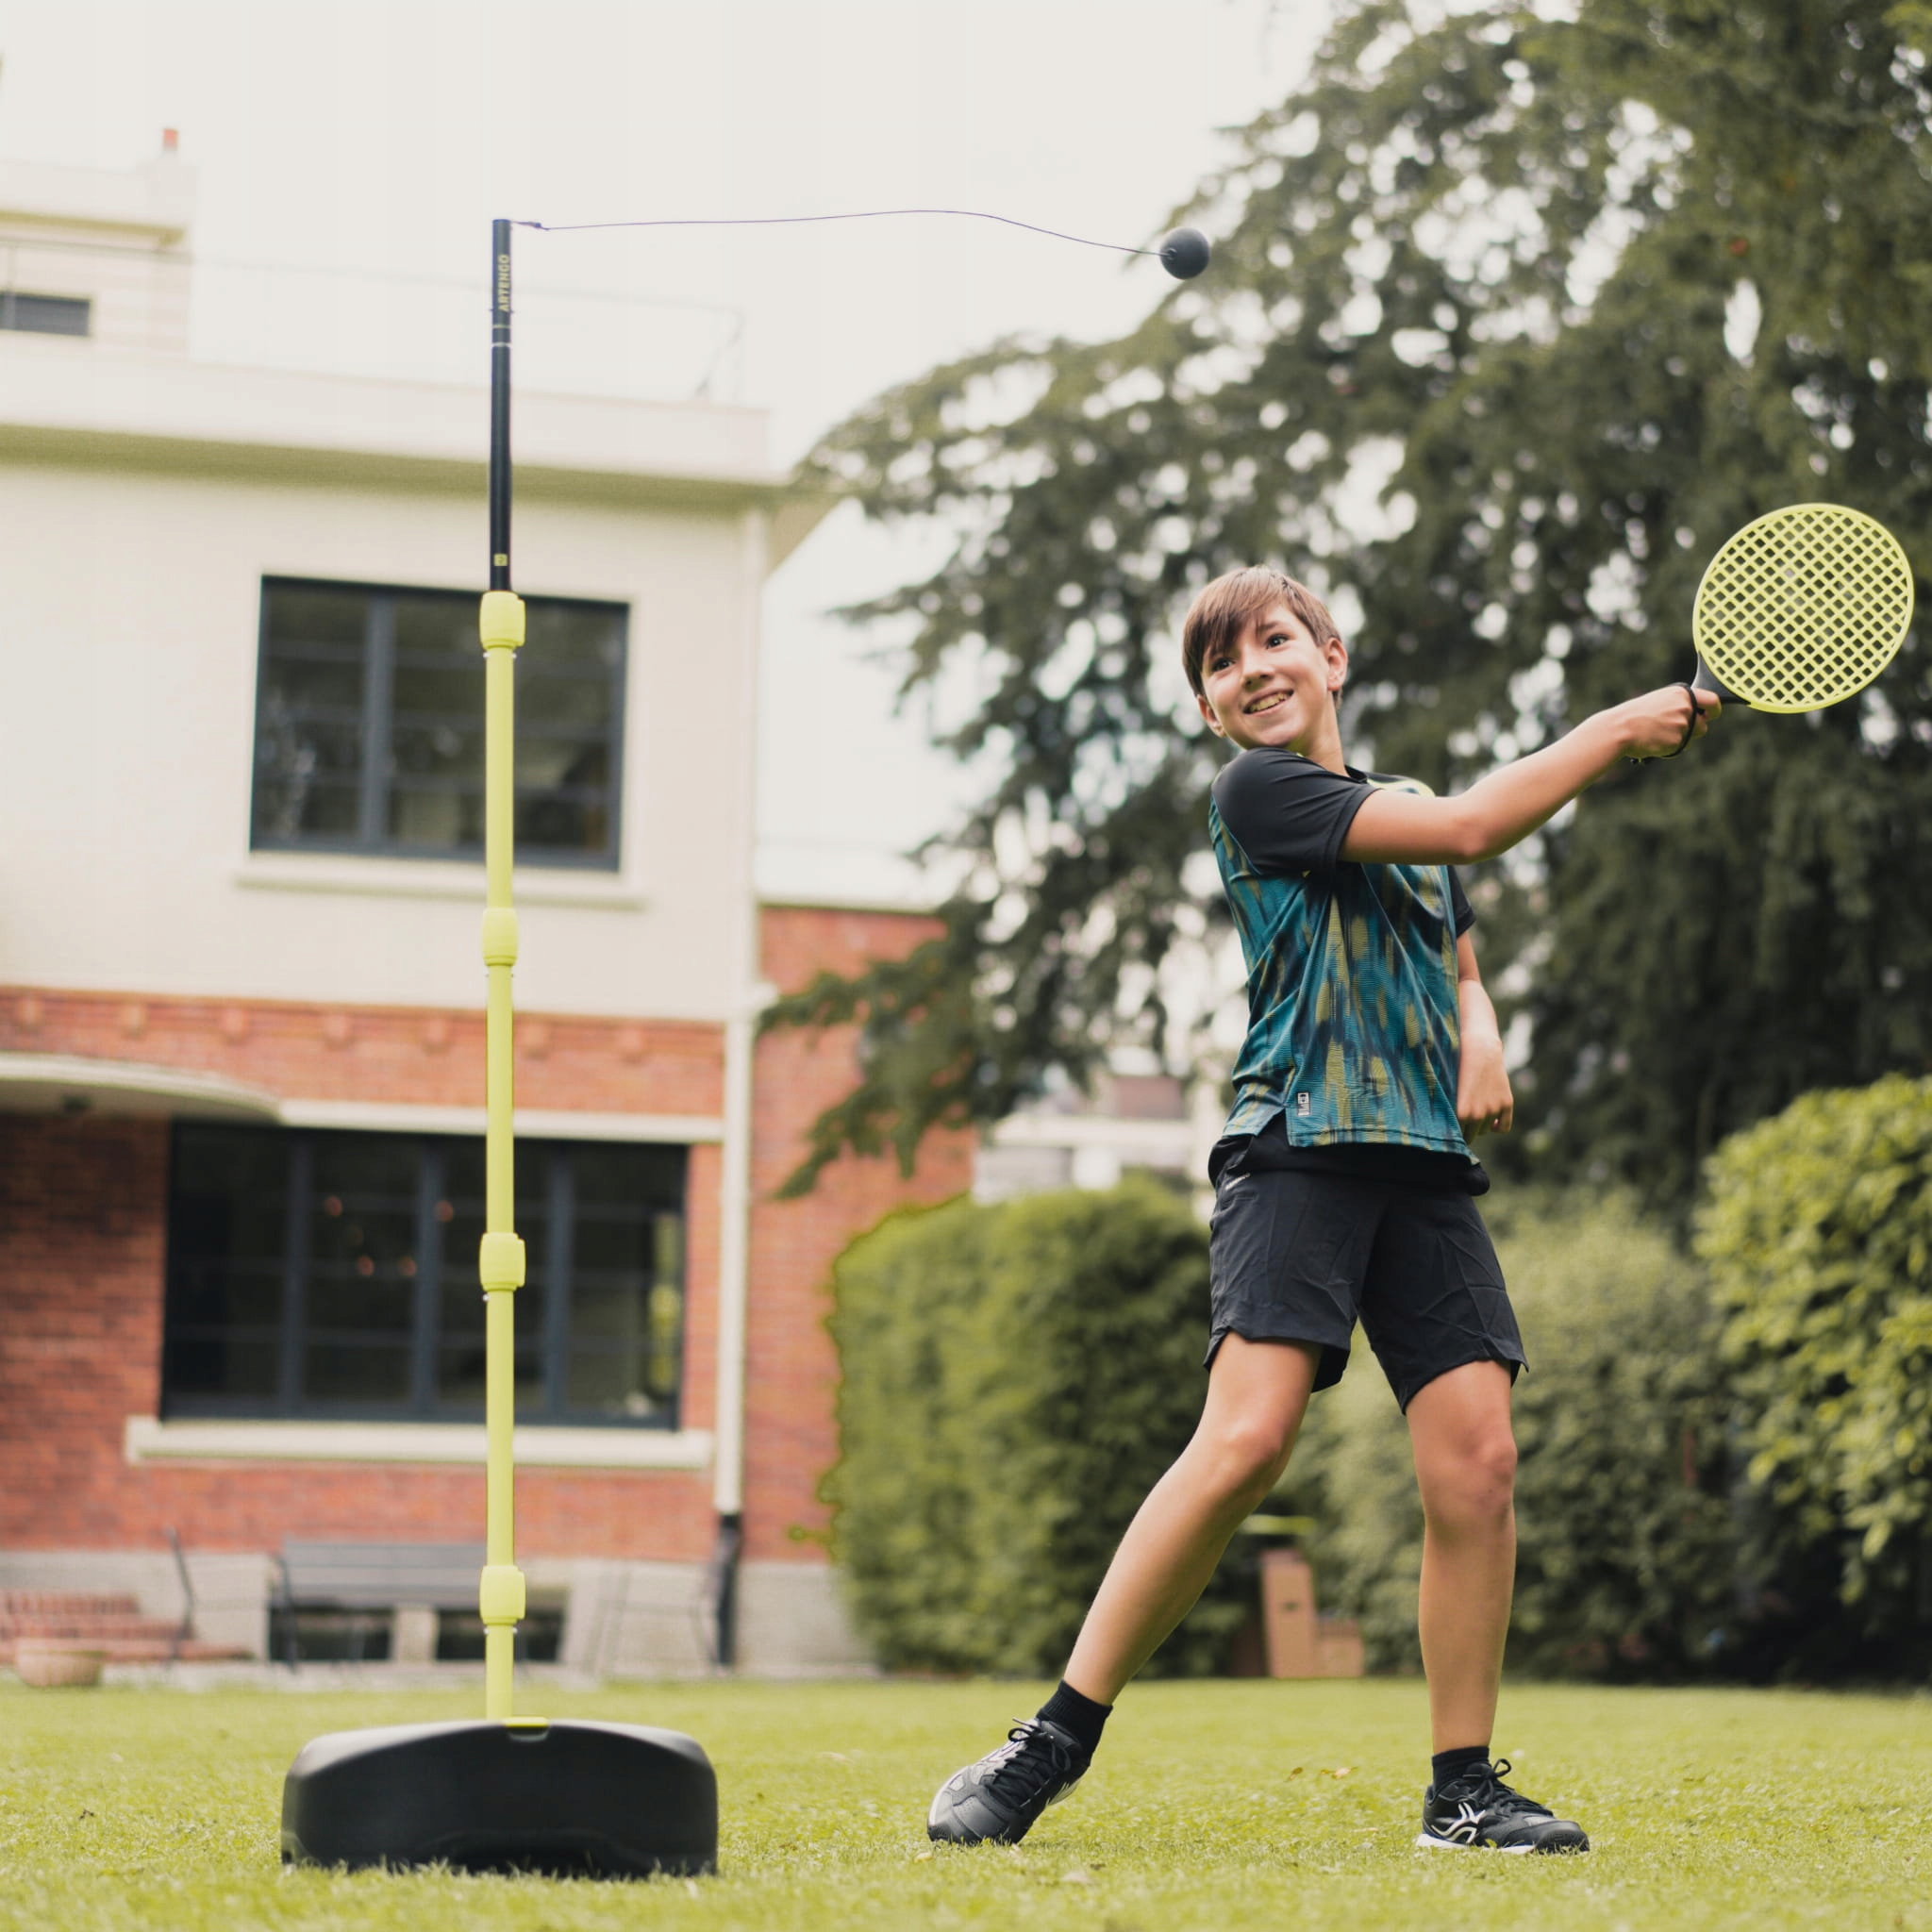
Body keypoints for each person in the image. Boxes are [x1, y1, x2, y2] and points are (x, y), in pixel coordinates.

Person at [925, 565, 1717, 1856]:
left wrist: (1480, 1024)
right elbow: (1470, 831)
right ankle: (1050, 1741)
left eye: (1276, 641)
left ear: (1333, 657)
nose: (1255, 670)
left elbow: (1448, 912)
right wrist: (1616, 729)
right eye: (1224, 666)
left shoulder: (1389, 802)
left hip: (1420, 1165)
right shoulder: (1261, 793)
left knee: (1481, 1461)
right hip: (1299, 1140)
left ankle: (1463, 1790)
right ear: (1211, 712)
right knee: (1246, 1445)